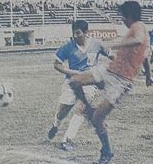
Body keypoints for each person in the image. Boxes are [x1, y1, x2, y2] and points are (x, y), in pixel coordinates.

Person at [69, 1, 153, 164]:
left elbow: (138, 39)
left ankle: (107, 150)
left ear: (129, 15)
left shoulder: (138, 27)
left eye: (123, 16)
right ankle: (88, 107)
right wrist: (149, 76)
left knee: (97, 119)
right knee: (74, 82)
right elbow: (144, 58)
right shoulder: (134, 29)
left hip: (121, 81)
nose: (122, 20)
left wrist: (115, 43)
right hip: (108, 71)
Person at [47, 20, 112, 151]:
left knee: (82, 108)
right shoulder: (68, 46)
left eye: (78, 33)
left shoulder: (96, 44)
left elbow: (112, 56)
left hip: (89, 83)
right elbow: (57, 64)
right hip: (72, 82)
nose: (75, 36)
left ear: (86, 33)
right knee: (62, 111)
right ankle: (55, 125)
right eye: (74, 33)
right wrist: (73, 72)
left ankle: (67, 139)